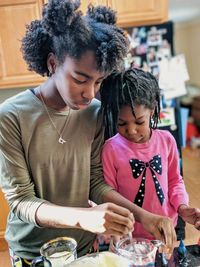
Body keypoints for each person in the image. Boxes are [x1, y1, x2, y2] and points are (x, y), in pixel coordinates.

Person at [0, 1, 176, 266]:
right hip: (34, 252)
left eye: (99, 81)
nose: (90, 93)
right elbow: (21, 201)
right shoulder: (11, 117)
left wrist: (144, 216)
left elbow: (95, 181)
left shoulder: (95, 113)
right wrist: (83, 217)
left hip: (84, 245)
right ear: (52, 63)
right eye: (80, 79)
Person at [100, 68, 200, 240]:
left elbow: (175, 181)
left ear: (152, 110)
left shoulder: (167, 140)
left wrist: (182, 207)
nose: (131, 130)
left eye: (139, 121)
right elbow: (110, 196)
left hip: (165, 229)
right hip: (129, 235)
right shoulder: (110, 149)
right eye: (121, 123)